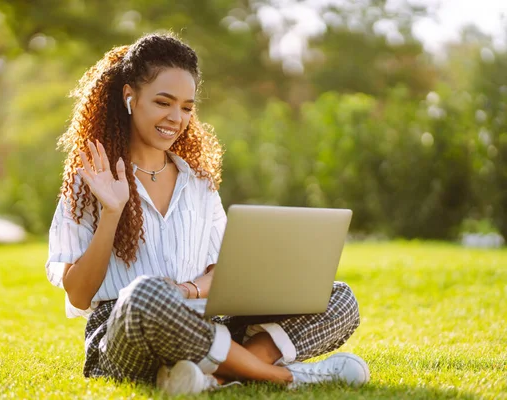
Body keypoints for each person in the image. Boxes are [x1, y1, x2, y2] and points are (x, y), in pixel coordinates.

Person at [45, 33, 369, 395]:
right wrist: (111, 211)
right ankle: (282, 376)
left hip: (204, 323)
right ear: (129, 97)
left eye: (186, 107)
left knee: (338, 297)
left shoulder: (196, 182)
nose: (176, 118)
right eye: (163, 102)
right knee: (144, 294)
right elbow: (78, 296)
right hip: (127, 334)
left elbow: (224, 273)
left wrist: (188, 289)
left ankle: (214, 376)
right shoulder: (93, 178)